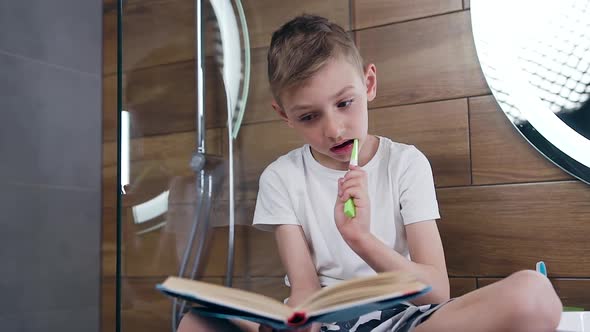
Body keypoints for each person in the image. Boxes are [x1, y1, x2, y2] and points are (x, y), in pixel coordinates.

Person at [178, 14, 563, 332]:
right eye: (309, 116)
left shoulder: (405, 163)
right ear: (284, 115)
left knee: (533, 295)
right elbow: (305, 289)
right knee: (196, 322)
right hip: (322, 324)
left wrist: (360, 238)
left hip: (406, 320)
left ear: (369, 84)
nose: (333, 129)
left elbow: (437, 292)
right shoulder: (281, 178)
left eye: (345, 103)